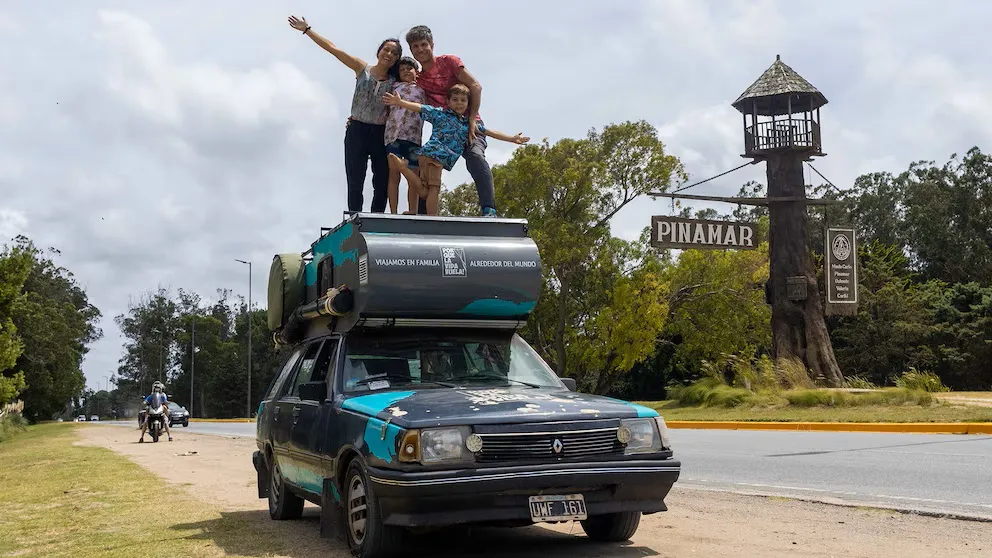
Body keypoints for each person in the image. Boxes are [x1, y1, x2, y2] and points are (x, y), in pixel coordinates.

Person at [288, 15, 402, 213]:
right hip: (357, 129)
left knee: (381, 179)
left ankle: (378, 218)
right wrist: (307, 30)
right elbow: (334, 49)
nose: (389, 54)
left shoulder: (396, 81)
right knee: (355, 178)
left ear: (396, 59)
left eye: (394, 53)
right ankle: (354, 218)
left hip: (380, 132)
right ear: (379, 51)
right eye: (387, 49)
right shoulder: (362, 68)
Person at [383, 84, 529, 216]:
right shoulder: (440, 113)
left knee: (424, 191)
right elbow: (421, 107)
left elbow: (488, 132)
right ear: (448, 102)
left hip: (427, 156)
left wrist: (511, 138)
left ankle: (404, 168)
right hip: (435, 155)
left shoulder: (467, 124)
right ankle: (432, 219)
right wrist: (400, 102)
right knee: (434, 189)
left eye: (463, 100)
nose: (459, 103)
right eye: (455, 99)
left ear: (468, 104)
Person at [404, 25, 498, 217]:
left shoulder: (449, 62)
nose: (421, 50)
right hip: (445, 132)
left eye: (424, 44)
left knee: (476, 158)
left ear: (432, 44)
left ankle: (489, 209)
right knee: (427, 165)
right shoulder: (419, 79)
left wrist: (471, 119)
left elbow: (476, 87)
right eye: (415, 47)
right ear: (411, 50)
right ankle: (423, 215)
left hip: (468, 126)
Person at [384, 57, 428, 214]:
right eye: (402, 70)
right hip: (393, 135)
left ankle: (412, 210)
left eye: (409, 69)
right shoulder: (394, 86)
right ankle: (393, 211)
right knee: (394, 173)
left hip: (413, 136)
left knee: (413, 174)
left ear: (416, 71)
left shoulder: (423, 89)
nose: (406, 72)